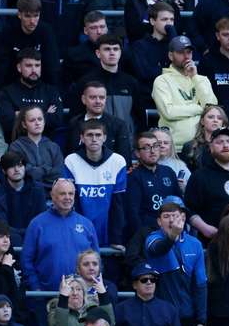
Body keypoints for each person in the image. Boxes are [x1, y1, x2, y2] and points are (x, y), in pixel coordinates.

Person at [144, 199, 207, 326]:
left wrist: (201, 322)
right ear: (159, 222)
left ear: (183, 218)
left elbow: (201, 286)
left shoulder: (195, 244)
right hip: (159, 316)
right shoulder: (152, 238)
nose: (171, 220)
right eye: (166, 216)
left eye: (175, 216)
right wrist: (173, 235)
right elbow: (158, 249)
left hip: (187, 317)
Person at [22, 178, 99, 294]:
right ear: (53, 196)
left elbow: (96, 258)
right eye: (63, 193)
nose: (67, 197)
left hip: (82, 296)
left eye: (71, 193)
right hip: (47, 295)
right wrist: (35, 287)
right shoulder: (37, 224)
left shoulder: (86, 224)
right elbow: (26, 260)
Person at [63, 119, 127, 248]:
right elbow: (70, 202)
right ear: (82, 137)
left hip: (108, 233)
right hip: (78, 232)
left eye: (98, 135)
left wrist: (116, 238)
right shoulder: (71, 161)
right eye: (89, 135)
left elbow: (118, 204)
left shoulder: (118, 161)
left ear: (104, 138)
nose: (94, 139)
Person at [68, 34, 143, 140]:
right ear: (98, 53)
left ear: (120, 52)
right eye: (107, 49)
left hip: (126, 141)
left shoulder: (131, 82)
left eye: (116, 49)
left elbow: (140, 118)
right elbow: (76, 117)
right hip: (94, 143)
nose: (112, 53)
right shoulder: (85, 82)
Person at [0, 0, 61, 99]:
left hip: (40, 87)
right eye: (28, 16)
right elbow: (0, 67)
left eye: (36, 16)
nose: (32, 21)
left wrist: (53, 96)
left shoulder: (46, 32)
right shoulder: (9, 32)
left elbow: (52, 67)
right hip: (12, 86)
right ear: (19, 14)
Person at [152, 35, 219, 151]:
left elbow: (212, 107)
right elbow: (169, 112)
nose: (186, 56)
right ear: (170, 56)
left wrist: (195, 77)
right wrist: (199, 108)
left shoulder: (201, 79)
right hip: (174, 149)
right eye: (180, 52)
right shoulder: (162, 80)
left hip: (204, 146)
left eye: (189, 52)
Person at [0, 49, 64, 139]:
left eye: (37, 65)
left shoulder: (50, 91)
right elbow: (8, 122)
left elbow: (57, 120)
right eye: (28, 66)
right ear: (19, 67)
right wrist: (45, 114)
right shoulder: (7, 92)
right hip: (17, 145)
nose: (34, 70)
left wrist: (19, 115)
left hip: (46, 145)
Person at [126, 131, 181, 241]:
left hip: (172, 230)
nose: (152, 151)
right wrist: (142, 238)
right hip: (149, 235)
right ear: (137, 153)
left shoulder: (169, 172)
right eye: (146, 148)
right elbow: (133, 213)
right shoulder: (134, 177)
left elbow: (179, 203)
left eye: (155, 146)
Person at [65, 81, 132, 162]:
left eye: (101, 97)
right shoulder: (74, 123)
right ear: (83, 99)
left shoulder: (118, 125)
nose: (98, 101)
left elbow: (124, 160)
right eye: (93, 97)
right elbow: (68, 154)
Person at [9, 106, 64, 190]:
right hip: (27, 195)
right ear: (24, 124)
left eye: (40, 119)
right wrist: (47, 169)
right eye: (32, 120)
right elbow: (21, 173)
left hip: (51, 197)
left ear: (44, 122)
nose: (37, 123)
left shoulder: (54, 147)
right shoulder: (16, 147)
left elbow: (58, 174)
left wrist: (34, 171)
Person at [128, 3, 178, 91]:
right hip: (149, 96)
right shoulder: (139, 46)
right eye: (164, 19)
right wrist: (171, 72)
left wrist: (174, 38)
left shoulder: (173, 43)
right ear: (152, 21)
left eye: (172, 19)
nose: (169, 24)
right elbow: (144, 73)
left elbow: (182, 67)